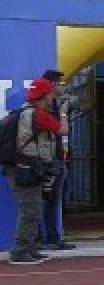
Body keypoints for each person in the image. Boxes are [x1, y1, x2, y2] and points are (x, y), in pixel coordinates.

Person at [4, 78, 60, 264]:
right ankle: (20, 252)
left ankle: (29, 248)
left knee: (29, 209)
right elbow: (62, 129)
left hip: (17, 167)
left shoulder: (21, 113)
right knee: (31, 212)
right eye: (51, 95)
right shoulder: (38, 115)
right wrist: (65, 113)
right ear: (44, 97)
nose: (53, 98)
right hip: (27, 169)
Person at [38, 70, 73, 251]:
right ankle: (42, 238)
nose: (63, 86)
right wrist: (64, 114)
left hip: (60, 158)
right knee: (45, 200)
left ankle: (53, 237)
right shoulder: (47, 109)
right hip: (48, 160)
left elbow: (84, 103)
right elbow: (62, 130)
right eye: (60, 83)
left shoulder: (58, 105)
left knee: (55, 200)